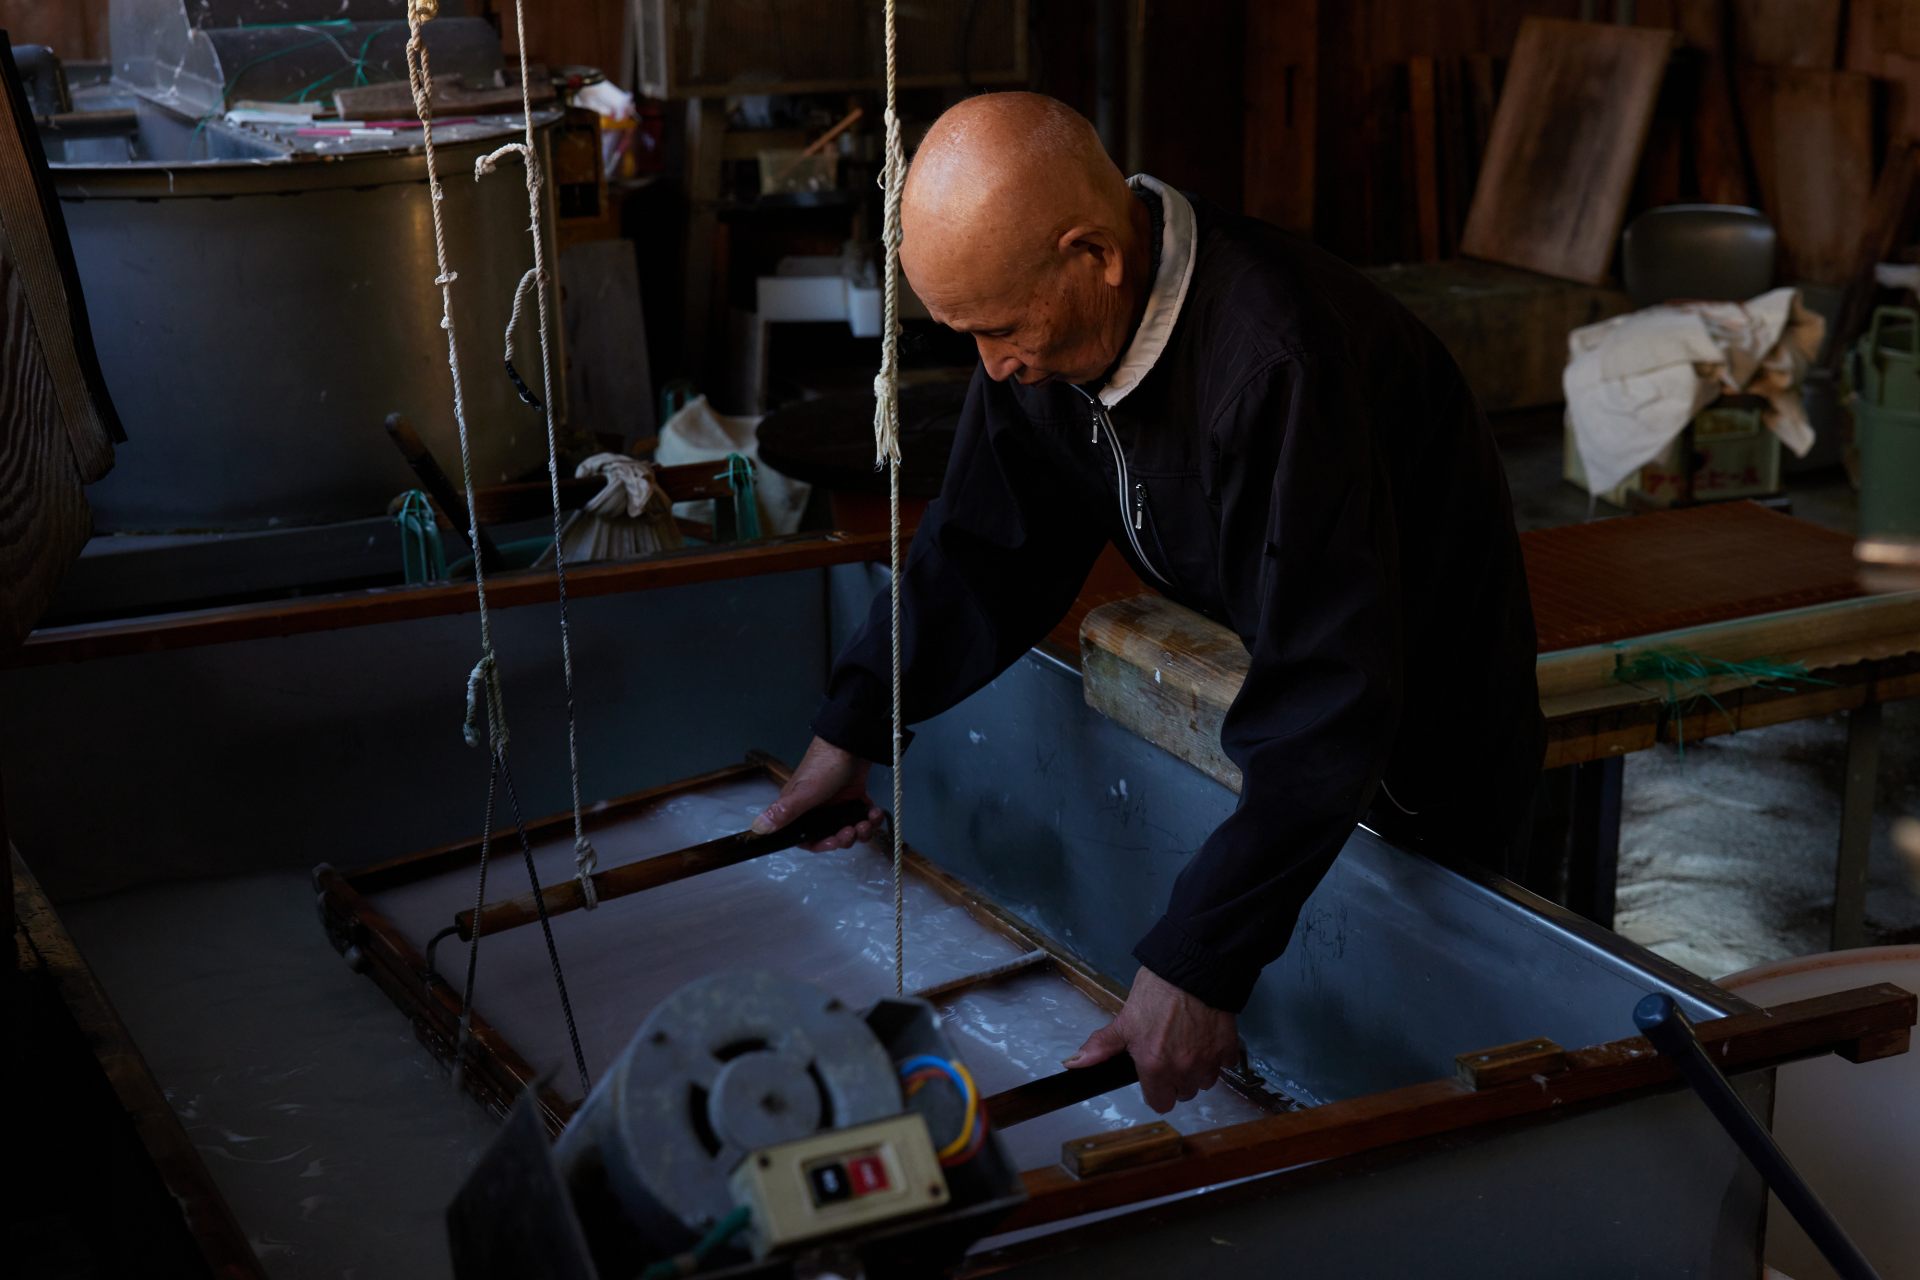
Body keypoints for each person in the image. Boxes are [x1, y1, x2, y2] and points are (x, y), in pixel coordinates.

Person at [752, 92, 1543, 1113]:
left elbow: (1332, 688)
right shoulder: (1045, 326)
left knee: (1428, 1070)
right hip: (1308, 700)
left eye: (1000, 330)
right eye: (967, 337)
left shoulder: (1274, 366)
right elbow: (983, 550)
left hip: (1429, 726)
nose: (996, 368)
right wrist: (853, 721)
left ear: (1097, 255)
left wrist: (1199, 961)